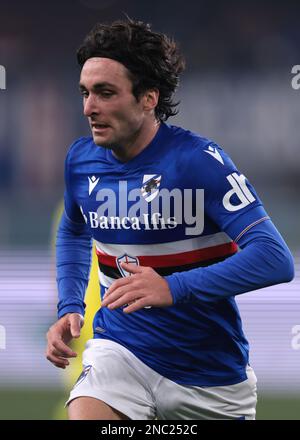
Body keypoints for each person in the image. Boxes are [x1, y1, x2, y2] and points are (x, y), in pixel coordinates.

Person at [46, 18, 294, 420]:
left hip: (209, 377)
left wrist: (173, 287)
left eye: (105, 93)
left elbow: (274, 258)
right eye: (85, 93)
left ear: (148, 98)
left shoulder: (198, 162)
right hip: (120, 353)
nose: (89, 108)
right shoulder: (81, 160)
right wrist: (70, 305)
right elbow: (74, 228)